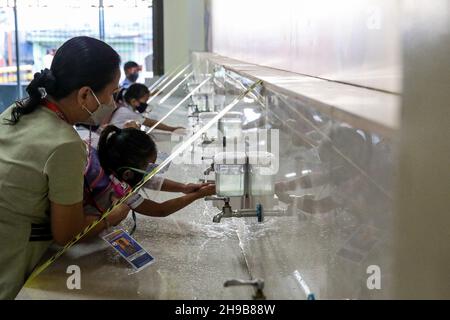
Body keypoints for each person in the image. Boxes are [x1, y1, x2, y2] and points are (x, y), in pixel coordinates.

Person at [0, 36, 126, 299]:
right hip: (12, 269)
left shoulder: (18, 110)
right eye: (112, 94)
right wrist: (110, 218)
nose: (114, 104)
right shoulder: (65, 144)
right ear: (84, 94)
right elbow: (67, 233)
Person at [83, 125, 215, 226]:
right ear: (128, 173)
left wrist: (184, 187)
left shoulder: (107, 152)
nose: (151, 171)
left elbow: (147, 180)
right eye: (148, 167)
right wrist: (198, 195)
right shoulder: (116, 188)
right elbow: (160, 210)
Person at [110, 83, 184, 132]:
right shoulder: (126, 112)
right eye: (145, 102)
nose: (145, 104)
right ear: (133, 101)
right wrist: (172, 129)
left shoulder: (126, 108)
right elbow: (151, 123)